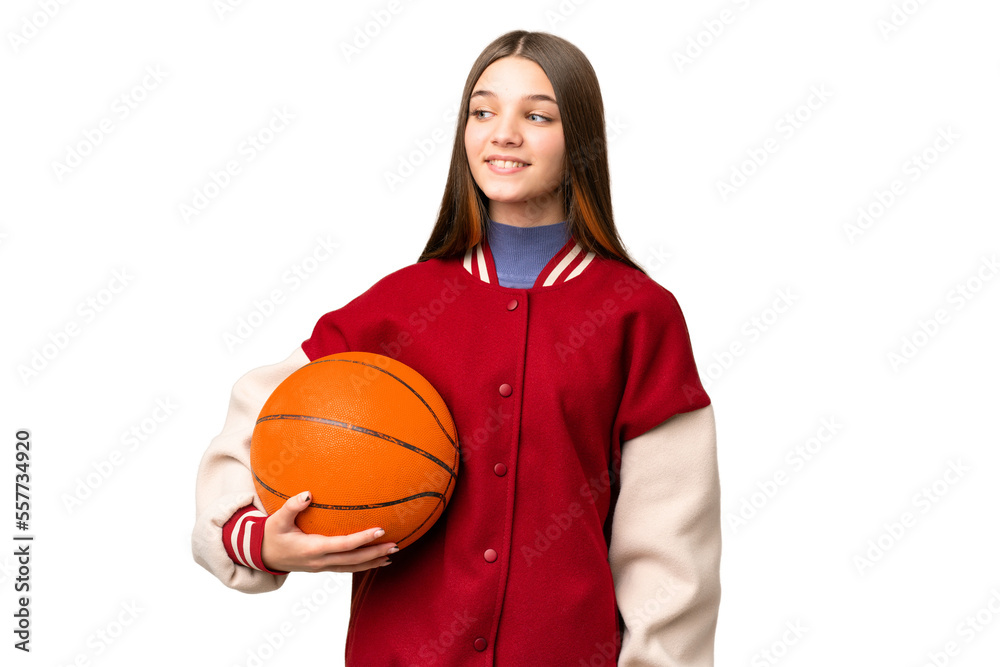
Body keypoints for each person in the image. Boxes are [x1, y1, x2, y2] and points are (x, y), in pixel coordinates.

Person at [192, 29, 721, 666]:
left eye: (537, 115)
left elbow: (671, 555)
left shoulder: (638, 315)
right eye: (482, 111)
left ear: (579, 138)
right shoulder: (402, 304)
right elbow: (264, 410)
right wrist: (256, 540)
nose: (503, 133)